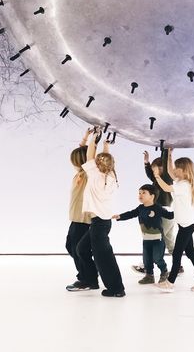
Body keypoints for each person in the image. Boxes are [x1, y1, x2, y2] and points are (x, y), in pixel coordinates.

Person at [81, 126, 126, 298]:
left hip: (99, 224)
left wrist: (95, 138)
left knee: (104, 258)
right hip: (102, 223)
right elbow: (106, 160)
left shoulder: (95, 176)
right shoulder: (112, 176)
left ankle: (116, 289)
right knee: (81, 249)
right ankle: (93, 278)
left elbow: (89, 155)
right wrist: (106, 145)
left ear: (98, 165)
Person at [152, 156, 194, 292]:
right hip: (184, 225)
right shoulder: (181, 181)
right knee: (190, 253)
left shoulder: (184, 185)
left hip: (186, 226)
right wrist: (169, 156)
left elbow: (166, 188)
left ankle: (170, 283)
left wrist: (157, 176)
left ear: (184, 171)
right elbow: (171, 172)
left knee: (177, 254)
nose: (174, 170)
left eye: (177, 168)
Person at [132, 149, 183, 275]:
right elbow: (150, 174)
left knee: (154, 238)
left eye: (156, 169)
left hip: (164, 212)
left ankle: (146, 264)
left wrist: (166, 150)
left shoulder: (166, 178)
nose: (153, 172)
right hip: (168, 213)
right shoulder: (157, 180)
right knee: (169, 240)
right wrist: (146, 163)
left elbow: (164, 168)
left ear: (162, 169)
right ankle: (179, 266)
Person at [113, 184, 174, 284]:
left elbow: (170, 216)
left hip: (158, 240)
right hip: (146, 240)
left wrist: (181, 212)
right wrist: (120, 216)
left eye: (143, 193)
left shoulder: (157, 208)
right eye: (139, 193)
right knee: (147, 260)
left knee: (158, 258)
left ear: (152, 196)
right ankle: (149, 276)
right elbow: (131, 213)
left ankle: (164, 272)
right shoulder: (140, 208)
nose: (140, 195)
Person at [64, 131, 97, 292]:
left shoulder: (88, 173)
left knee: (78, 250)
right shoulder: (79, 173)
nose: (72, 163)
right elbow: (83, 151)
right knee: (70, 246)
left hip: (83, 219)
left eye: (74, 161)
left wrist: (93, 140)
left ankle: (87, 279)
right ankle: (88, 275)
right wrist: (85, 138)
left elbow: (89, 156)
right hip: (75, 218)